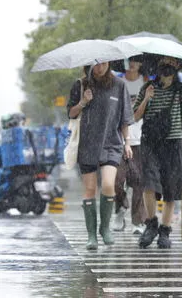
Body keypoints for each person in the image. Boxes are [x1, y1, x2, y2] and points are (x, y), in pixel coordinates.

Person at [67, 62, 134, 250]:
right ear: (89, 65)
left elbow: (125, 118)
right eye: (96, 64)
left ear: (109, 64)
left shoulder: (119, 85)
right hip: (87, 145)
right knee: (89, 190)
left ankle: (105, 228)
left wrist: (127, 142)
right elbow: (71, 114)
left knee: (107, 184)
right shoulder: (80, 85)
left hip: (111, 143)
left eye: (104, 63)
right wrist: (83, 102)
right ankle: (91, 235)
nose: (100, 68)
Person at [134, 57, 182, 249]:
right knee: (149, 184)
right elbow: (135, 116)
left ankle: (165, 229)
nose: (167, 67)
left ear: (177, 66)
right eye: (163, 63)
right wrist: (147, 99)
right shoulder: (147, 87)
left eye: (171, 63)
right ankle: (151, 224)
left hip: (173, 142)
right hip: (150, 142)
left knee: (171, 189)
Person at [113, 57, 148, 234]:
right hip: (119, 138)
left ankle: (137, 220)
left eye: (136, 60)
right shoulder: (117, 83)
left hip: (141, 139)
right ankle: (120, 208)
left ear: (142, 63)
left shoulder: (147, 83)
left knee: (139, 182)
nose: (133, 63)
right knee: (117, 181)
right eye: (129, 60)